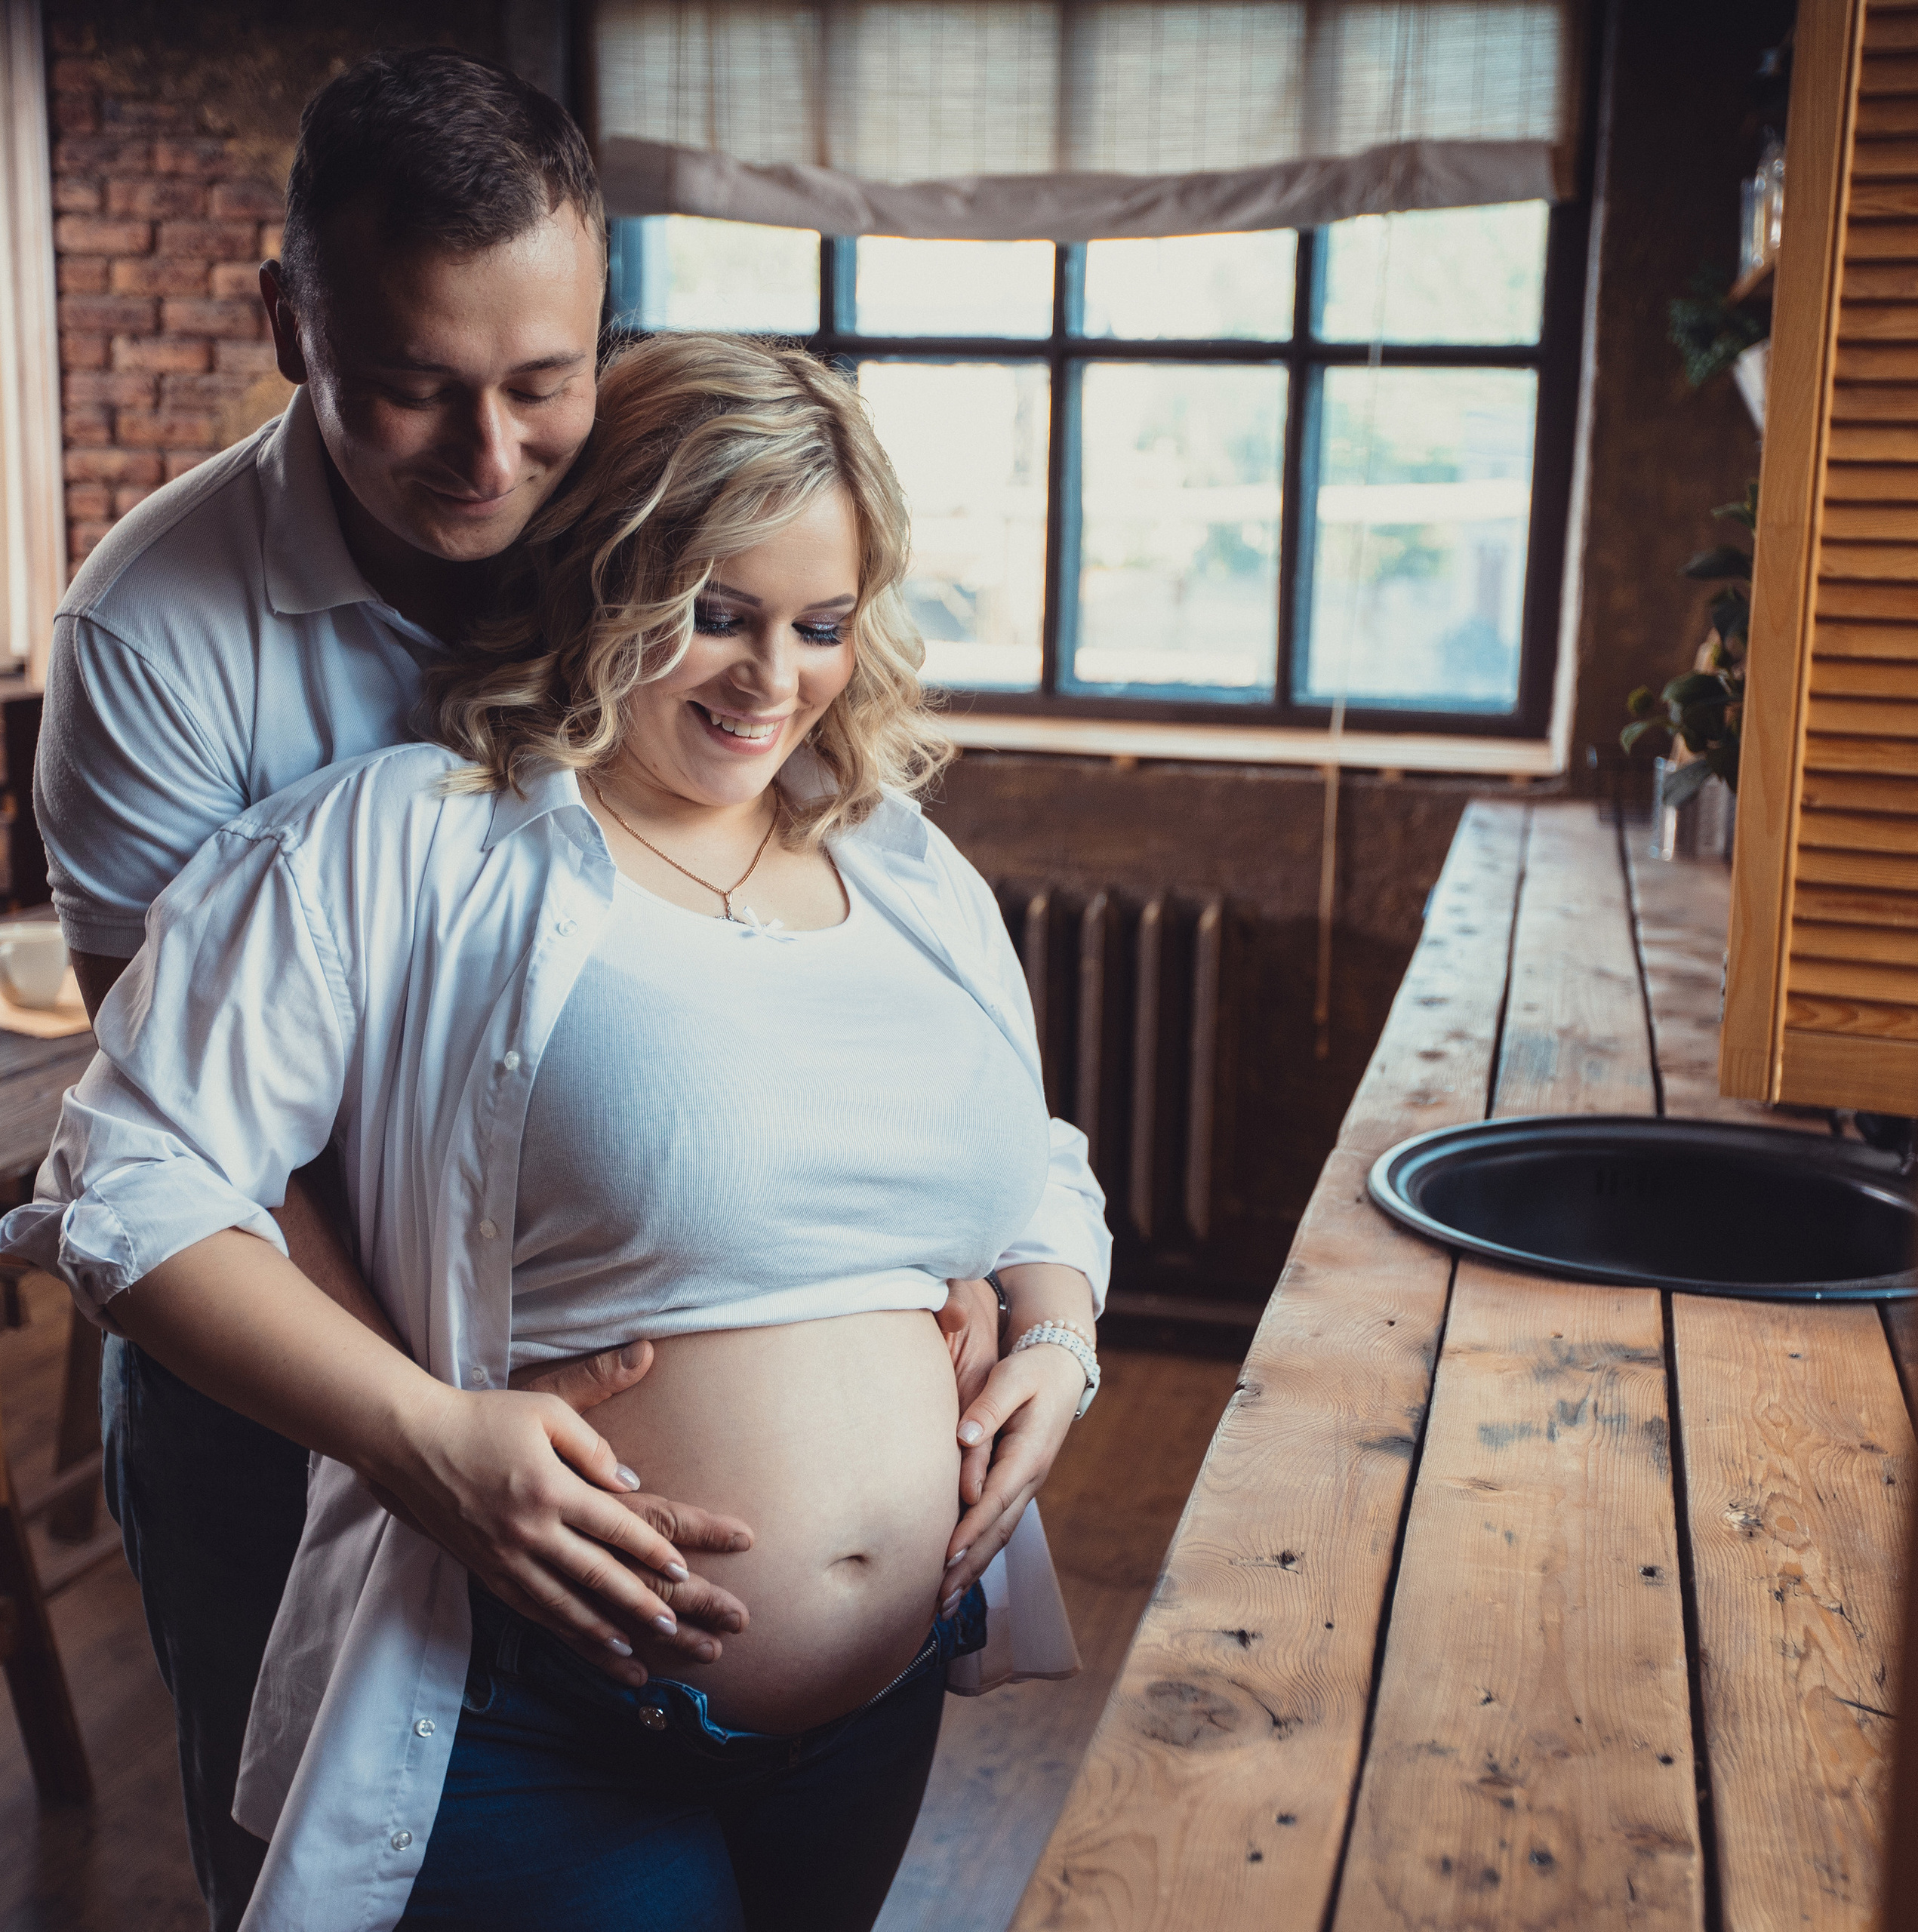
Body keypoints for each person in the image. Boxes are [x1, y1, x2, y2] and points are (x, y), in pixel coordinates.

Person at [5, 330, 1110, 1932]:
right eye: (713, 615)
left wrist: (1054, 1336)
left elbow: (1030, 1160)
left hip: (877, 1708)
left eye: (819, 623)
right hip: (538, 1700)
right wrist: (417, 1433)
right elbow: (127, 1179)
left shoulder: (903, 864)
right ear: (607, 575)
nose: (769, 679)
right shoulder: (404, 839)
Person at [29, 48, 876, 1929]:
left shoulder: (662, 543)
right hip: (289, 1394)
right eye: (410, 387)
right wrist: (432, 1428)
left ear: (602, 325)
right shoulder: (156, 629)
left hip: (628, 1448)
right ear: (289, 321)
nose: (486, 461)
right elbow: (185, 1138)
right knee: (322, 1872)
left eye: (541, 385)